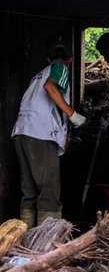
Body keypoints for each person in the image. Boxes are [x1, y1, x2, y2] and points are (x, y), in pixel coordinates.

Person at [12, 41, 86, 228]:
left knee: (29, 193)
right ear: (70, 60)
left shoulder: (36, 76)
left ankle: (25, 240)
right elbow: (51, 88)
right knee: (48, 193)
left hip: (21, 133)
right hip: (40, 135)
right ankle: (47, 245)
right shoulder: (60, 68)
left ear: (47, 59)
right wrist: (73, 115)